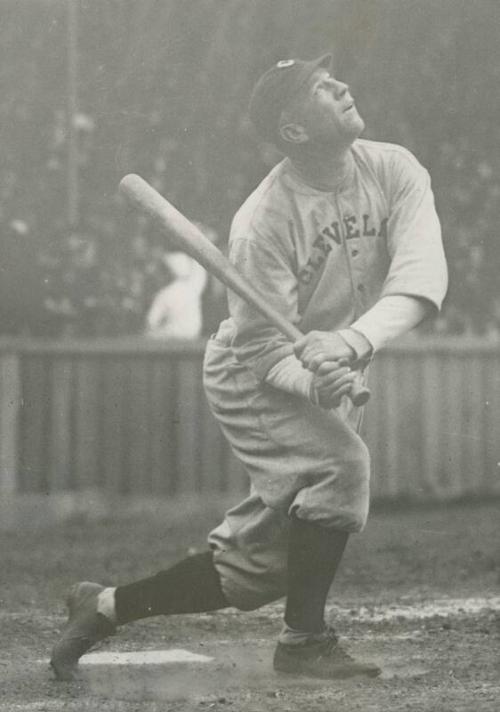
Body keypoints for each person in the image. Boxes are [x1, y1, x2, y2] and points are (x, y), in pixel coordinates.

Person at [50, 53, 448, 681]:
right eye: (320, 88)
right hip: (251, 372)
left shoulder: (394, 169)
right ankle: (303, 642)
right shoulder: (262, 222)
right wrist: (318, 373)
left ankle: (102, 605)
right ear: (293, 131)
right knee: (343, 468)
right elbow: (264, 352)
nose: (342, 85)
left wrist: (348, 344)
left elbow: (421, 280)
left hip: (329, 353)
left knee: (260, 568)